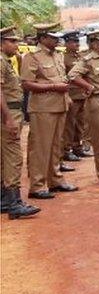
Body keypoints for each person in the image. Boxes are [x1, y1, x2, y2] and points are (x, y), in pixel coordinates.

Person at [21, 23, 79, 199]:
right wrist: (54, 86)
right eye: (53, 37)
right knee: (41, 147)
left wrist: (66, 97)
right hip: (42, 107)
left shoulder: (58, 56)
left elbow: (63, 78)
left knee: (55, 146)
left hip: (59, 105)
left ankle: (55, 180)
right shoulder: (32, 57)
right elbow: (26, 83)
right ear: (43, 38)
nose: (57, 40)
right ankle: (37, 185)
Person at [0, 27, 41, 219]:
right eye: (12, 41)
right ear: (2, 43)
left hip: (9, 111)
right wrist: (8, 118)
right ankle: (15, 203)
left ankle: (4, 200)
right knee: (13, 157)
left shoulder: (7, 60)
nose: (17, 45)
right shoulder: (1, 61)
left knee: (4, 157)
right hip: (8, 112)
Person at [67, 27, 99, 185]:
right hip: (98, 101)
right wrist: (88, 87)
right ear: (94, 44)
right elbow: (72, 75)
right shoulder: (88, 60)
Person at [60, 31, 93, 169]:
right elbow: (64, 77)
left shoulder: (80, 56)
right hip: (71, 95)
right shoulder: (63, 58)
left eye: (78, 42)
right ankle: (66, 150)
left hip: (82, 95)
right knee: (69, 125)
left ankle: (77, 147)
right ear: (67, 43)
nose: (77, 44)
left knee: (80, 123)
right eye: (74, 42)